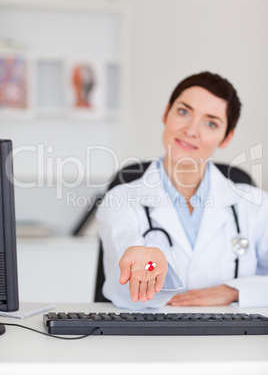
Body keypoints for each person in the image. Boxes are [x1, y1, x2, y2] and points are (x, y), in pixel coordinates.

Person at [96, 71, 268, 310]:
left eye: (211, 123)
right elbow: (122, 289)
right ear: (166, 114)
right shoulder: (121, 200)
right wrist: (141, 266)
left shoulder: (256, 206)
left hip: (233, 342)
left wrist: (233, 291)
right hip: (149, 339)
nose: (191, 129)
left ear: (226, 137)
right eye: (184, 112)